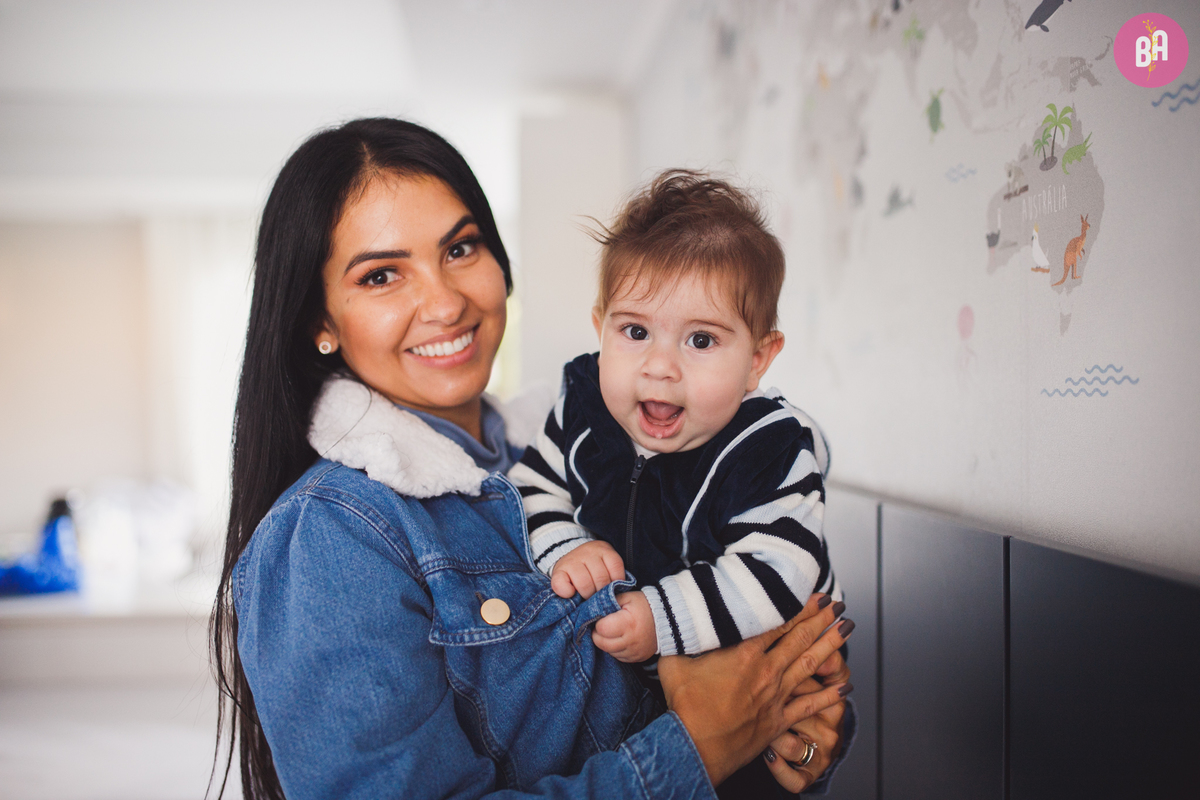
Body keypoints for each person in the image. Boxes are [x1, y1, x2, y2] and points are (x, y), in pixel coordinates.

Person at [210, 118, 855, 800]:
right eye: (381, 275)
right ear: (320, 322)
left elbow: (762, 646)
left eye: (460, 248)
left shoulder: (579, 448)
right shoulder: (330, 535)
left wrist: (800, 732)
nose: (445, 302)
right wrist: (697, 747)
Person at [509, 171, 842, 798]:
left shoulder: (767, 447)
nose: (660, 366)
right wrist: (567, 548)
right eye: (635, 332)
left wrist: (659, 619)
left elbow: (781, 569)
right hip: (651, 720)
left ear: (758, 358)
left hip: (767, 701)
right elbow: (530, 487)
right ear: (600, 327)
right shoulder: (582, 410)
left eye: (701, 340)